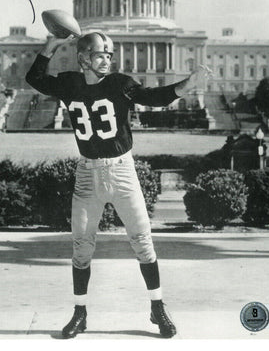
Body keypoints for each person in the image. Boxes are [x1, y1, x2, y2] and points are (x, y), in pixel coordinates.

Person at [26, 32, 212, 339]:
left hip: (122, 171)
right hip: (87, 173)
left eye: (109, 55)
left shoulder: (119, 84)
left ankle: (157, 307)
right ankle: (80, 312)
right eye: (100, 55)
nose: (107, 60)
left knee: (143, 242)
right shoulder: (69, 83)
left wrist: (184, 87)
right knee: (81, 247)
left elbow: (153, 97)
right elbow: (34, 77)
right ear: (83, 58)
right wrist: (49, 47)